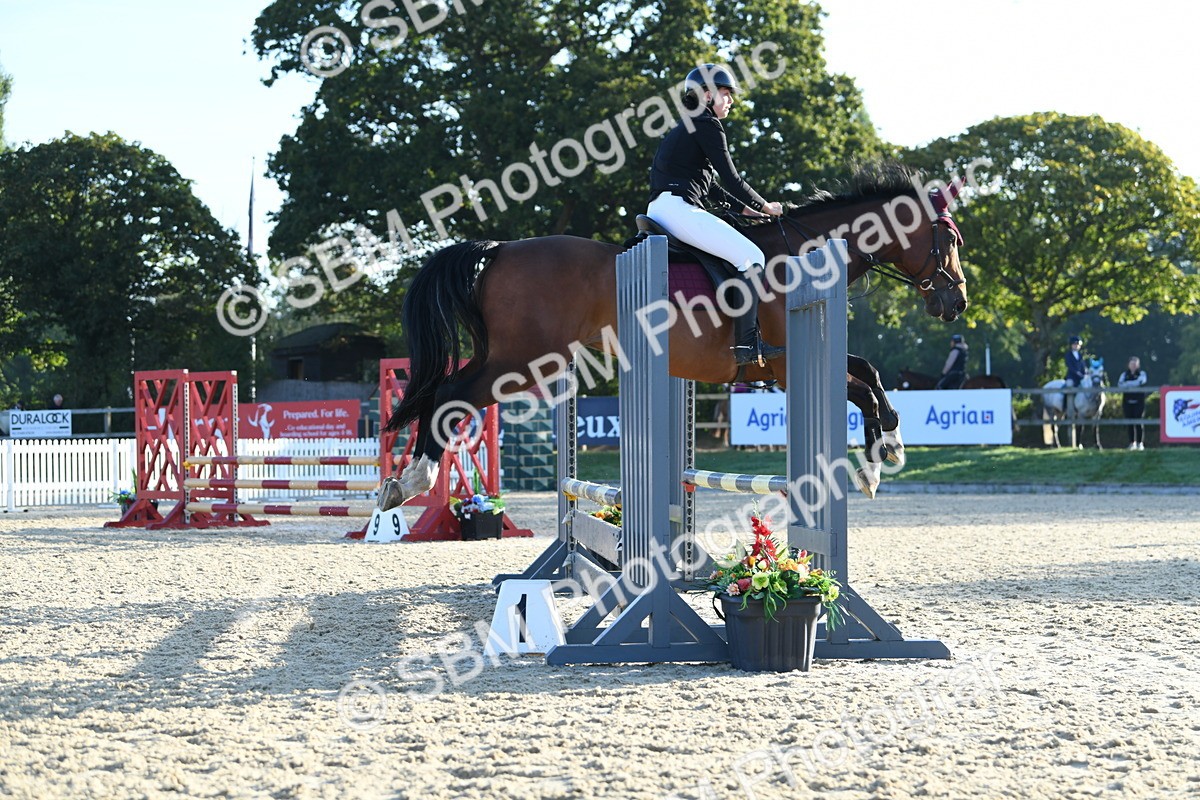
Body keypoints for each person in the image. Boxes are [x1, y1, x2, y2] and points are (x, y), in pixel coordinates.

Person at [646, 63, 786, 366]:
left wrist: (749, 211)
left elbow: (714, 189)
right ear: (707, 95)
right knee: (752, 257)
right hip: (678, 209)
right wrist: (767, 207)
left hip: (665, 207)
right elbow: (732, 178)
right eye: (725, 93)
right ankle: (747, 345)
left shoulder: (689, 126)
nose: (731, 100)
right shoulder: (707, 124)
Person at [1117, 356, 1148, 450]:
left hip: (1139, 401)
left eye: (1135, 364)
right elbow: (1120, 384)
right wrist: (1132, 384)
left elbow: (1141, 382)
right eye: (1131, 364)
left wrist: (1128, 384)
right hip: (1127, 401)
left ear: (1138, 365)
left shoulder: (1142, 374)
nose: (1133, 366)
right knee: (1129, 423)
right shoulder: (1124, 374)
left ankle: (1140, 443)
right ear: (1128, 365)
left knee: (1138, 422)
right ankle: (1132, 443)